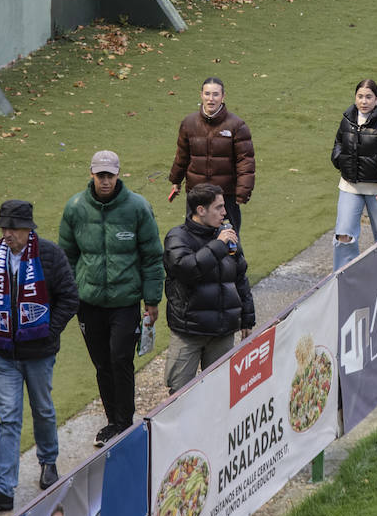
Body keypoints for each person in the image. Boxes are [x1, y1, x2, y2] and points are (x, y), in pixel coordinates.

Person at [0, 200, 79, 511]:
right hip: (2, 352)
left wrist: (48, 330)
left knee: (42, 409)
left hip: (39, 353)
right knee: (9, 418)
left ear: (27, 229)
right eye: (3, 228)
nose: (6, 234)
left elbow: (70, 298)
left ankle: (48, 461)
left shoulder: (50, 254)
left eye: (12, 228)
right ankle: (4, 488)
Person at [59, 150, 163, 449]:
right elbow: (65, 255)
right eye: (100, 175)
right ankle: (111, 421)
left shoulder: (137, 208)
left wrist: (152, 300)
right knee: (102, 363)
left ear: (119, 175)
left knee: (121, 359)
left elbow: (152, 257)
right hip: (88, 303)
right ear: (91, 175)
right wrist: (69, 295)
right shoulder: (75, 208)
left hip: (124, 301)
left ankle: (124, 421)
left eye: (110, 175)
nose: (105, 181)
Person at [163, 183, 255, 393]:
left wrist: (247, 318)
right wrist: (218, 246)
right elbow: (188, 269)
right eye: (219, 207)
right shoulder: (177, 237)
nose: (225, 212)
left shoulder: (227, 234)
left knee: (220, 393)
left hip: (222, 331)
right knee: (179, 395)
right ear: (200, 210)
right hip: (189, 331)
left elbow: (241, 278)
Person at [330, 79, 377, 268]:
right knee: (344, 235)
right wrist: (340, 161)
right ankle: (344, 275)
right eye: (360, 96)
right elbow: (338, 143)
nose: (364, 101)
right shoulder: (347, 118)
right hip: (349, 186)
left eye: (368, 97)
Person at [167, 77, 255, 234]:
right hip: (197, 194)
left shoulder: (237, 126)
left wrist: (242, 193)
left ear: (223, 96)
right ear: (201, 95)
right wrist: (176, 180)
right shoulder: (189, 123)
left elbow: (245, 163)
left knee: (230, 243)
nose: (211, 99)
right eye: (207, 94)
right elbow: (182, 155)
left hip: (225, 196)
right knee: (193, 238)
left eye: (215, 94)